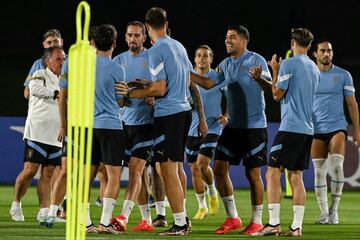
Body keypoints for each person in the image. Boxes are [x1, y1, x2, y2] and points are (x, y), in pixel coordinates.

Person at [113, 7, 192, 236]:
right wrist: (148, 84)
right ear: (166, 23)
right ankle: (183, 218)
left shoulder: (157, 50)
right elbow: (185, 80)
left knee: (167, 170)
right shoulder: (178, 45)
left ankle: (179, 223)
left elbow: (160, 88)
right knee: (174, 169)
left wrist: (131, 94)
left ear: (147, 29)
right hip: (182, 111)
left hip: (168, 114)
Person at [190, 25, 272, 235]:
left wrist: (259, 78)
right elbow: (208, 84)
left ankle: (256, 221)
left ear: (244, 41)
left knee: (253, 174)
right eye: (226, 37)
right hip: (231, 127)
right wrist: (184, 72)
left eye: (232, 37)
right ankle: (233, 217)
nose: (228, 40)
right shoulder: (224, 65)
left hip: (254, 127)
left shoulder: (257, 60)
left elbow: (272, 89)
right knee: (218, 169)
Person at [255, 28, 320, 237]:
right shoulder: (314, 68)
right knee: (296, 176)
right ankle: (296, 227)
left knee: (272, 172)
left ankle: (273, 224)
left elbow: (276, 94)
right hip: (307, 129)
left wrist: (274, 69)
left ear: (293, 43)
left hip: (291, 127)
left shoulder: (289, 64)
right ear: (309, 46)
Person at [41, 26, 98, 231]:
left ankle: (80, 213)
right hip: (76, 125)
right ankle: (51, 212)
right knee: (66, 170)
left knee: (90, 173)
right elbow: (62, 96)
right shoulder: (72, 62)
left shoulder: (101, 63)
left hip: (95, 125)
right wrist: (64, 125)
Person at [10, 46, 65, 222]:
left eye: (63, 59)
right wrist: (56, 93)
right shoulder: (39, 74)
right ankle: (16, 204)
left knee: (48, 174)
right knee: (30, 171)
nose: (61, 62)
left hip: (56, 134)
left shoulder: (65, 80)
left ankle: (43, 211)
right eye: (58, 59)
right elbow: (34, 89)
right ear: (47, 61)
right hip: (37, 132)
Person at [112, 20, 155, 232]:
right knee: (134, 171)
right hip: (124, 123)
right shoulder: (118, 61)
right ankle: (146, 219)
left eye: (137, 35)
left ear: (144, 37)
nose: (132, 39)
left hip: (148, 123)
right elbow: (116, 96)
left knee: (137, 170)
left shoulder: (153, 57)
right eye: (129, 35)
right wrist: (123, 95)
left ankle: (124, 216)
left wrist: (150, 91)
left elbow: (162, 87)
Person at [311, 40, 360, 224]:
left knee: (337, 166)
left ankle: (334, 211)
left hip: (337, 126)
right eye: (322, 51)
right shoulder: (309, 75)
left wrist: (357, 130)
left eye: (329, 51)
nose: (326, 54)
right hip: (315, 129)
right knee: (319, 172)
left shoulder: (343, 75)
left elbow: (352, 104)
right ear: (315, 54)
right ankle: (324, 213)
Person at [186, 45, 226, 220]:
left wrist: (226, 115)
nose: (202, 58)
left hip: (213, 126)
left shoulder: (218, 77)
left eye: (206, 56)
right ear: (194, 59)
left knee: (202, 164)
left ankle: (212, 190)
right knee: (195, 169)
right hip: (191, 128)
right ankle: (202, 206)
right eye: (199, 55)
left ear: (211, 59)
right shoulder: (187, 78)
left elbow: (231, 97)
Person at [23, 29, 64, 100]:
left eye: (56, 41)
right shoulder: (37, 64)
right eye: (49, 42)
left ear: (61, 42)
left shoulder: (72, 61)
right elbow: (27, 92)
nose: (53, 44)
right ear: (44, 45)